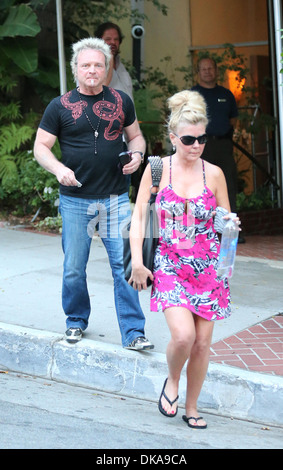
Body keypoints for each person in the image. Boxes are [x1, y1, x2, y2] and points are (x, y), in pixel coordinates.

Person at [128, 90, 240, 429]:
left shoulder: (215, 173)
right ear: (173, 137)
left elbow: (225, 219)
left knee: (203, 343)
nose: (196, 145)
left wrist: (229, 225)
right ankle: (172, 380)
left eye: (202, 138)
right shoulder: (158, 169)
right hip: (171, 265)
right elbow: (139, 218)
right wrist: (137, 261)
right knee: (183, 337)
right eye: (189, 139)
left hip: (210, 270)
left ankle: (192, 407)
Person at [33, 37, 153, 351]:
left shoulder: (122, 100)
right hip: (75, 200)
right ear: (76, 69)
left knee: (124, 266)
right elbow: (40, 147)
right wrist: (58, 169)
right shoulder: (59, 106)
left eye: (98, 65)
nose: (92, 70)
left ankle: (133, 332)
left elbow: (136, 137)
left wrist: (137, 157)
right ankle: (75, 320)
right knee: (74, 266)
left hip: (115, 198)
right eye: (85, 65)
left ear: (107, 68)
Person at [191, 57, 239, 216]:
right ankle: (202, 228)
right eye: (204, 69)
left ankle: (230, 228)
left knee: (227, 185)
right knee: (200, 185)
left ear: (216, 70)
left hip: (223, 145)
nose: (207, 72)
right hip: (200, 146)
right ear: (198, 73)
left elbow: (233, 119)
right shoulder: (192, 95)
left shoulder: (226, 94)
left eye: (210, 68)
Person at [95, 22, 134, 101]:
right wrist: (109, 57)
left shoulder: (120, 66)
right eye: (108, 39)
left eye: (116, 39)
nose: (113, 42)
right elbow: (98, 90)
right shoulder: (93, 65)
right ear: (99, 41)